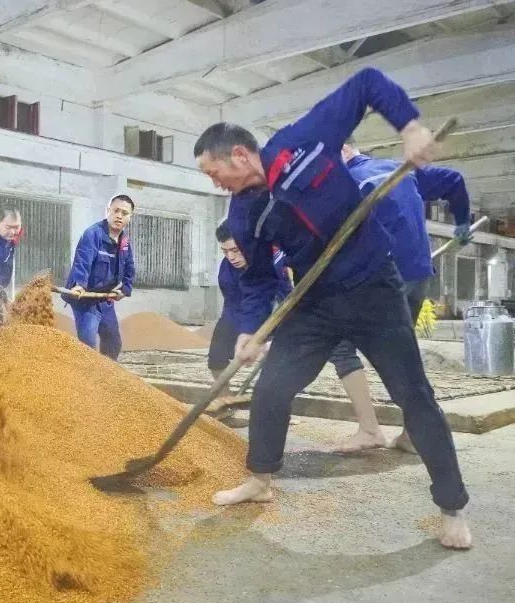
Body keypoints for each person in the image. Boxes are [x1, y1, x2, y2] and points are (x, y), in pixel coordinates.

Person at [193, 67, 471, 549]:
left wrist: (410, 128)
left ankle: (452, 508)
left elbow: (366, 83)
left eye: (213, 172)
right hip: (314, 301)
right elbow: (256, 278)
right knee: (272, 388)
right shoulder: (242, 213)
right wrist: (251, 329)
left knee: (413, 394)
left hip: (372, 289)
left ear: (238, 154)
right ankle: (259, 479)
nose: (214, 183)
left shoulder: (300, 142)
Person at [325, 139, 473, 454]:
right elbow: (454, 180)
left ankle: (370, 430)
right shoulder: (401, 169)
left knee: (340, 344)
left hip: (383, 278)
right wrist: (462, 221)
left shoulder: (347, 183)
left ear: (344, 150)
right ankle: (414, 435)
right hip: (417, 273)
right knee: (402, 353)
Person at [208, 215, 292, 384]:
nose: (231, 257)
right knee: (216, 359)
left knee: (276, 371)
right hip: (240, 313)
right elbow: (232, 305)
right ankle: (225, 398)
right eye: (225, 251)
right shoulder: (227, 269)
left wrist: (266, 338)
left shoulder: (277, 261)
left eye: (235, 250)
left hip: (280, 316)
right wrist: (245, 331)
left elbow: (286, 300)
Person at [63, 195, 137, 360]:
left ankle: (106, 373)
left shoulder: (124, 241)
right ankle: (85, 373)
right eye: (116, 210)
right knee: (88, 345)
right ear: (108, 211)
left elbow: (130, 267)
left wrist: (125, 289)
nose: (119, 216)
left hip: (104, 299)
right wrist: (79, 284)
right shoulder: (93, 234)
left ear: (130, 217)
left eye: (124, 213)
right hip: (85, 298)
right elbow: (82, 261)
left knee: (113, 343)